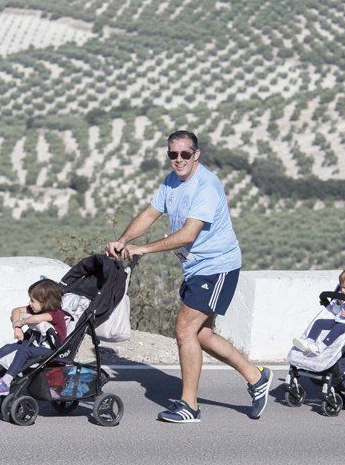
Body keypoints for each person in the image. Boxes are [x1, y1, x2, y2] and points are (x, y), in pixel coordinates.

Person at [106, 130, 271, 423]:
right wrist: (122, 241)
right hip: (196, 267)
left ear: (196, 154)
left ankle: (189, 405)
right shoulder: (171, 182)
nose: (178, 160)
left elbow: (188, 233)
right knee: (202, 334)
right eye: (173, 154)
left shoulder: (206, 186)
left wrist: (143, 248)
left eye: (185, 154)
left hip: (217, 266)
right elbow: (148, 214)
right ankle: (256, 378)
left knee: (184, 329)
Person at [0, 279, 68, 396]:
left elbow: (37, 319)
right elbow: (16, 310)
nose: (30, 303)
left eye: (33, 300)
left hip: (52, 350)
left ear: (45, 302)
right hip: (35, 345)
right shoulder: (36, 308)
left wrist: (22, 322)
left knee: (23, 351)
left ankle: (6, 382)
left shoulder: (56, 314)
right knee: (7, 348)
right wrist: (16, 326)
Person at [293, 266, 345, 356]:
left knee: (338, 328)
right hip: (339, 320)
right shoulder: (343, 295)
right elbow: (335, 311)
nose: (342, 290)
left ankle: (320, 347)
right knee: (319, 322)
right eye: (341, 287)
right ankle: (309, 342)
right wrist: (338, 303)